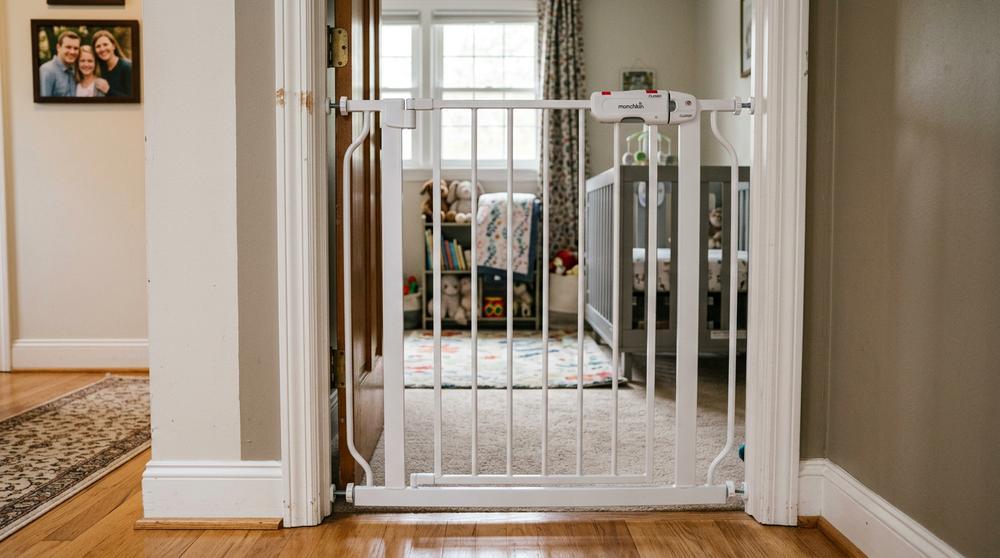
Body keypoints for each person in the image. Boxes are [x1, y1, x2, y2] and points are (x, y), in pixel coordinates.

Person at [38, 30, 80, 97]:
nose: (72, 52)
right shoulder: (47, 70)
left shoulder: (75, 70)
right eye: (68, 47)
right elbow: (44, 104)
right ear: (58, 47)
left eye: (76, 48)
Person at [92, 29, 132, 97]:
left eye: (105, 44)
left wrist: (108, 90)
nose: (102, 49)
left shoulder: (127, 67)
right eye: (98, 46)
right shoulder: (99, 68)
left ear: (113, 46)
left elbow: (132, 100)